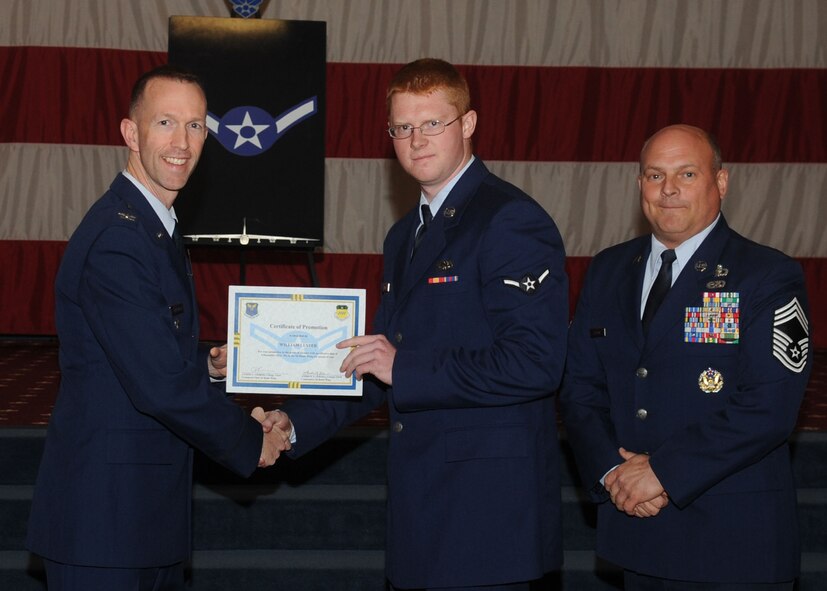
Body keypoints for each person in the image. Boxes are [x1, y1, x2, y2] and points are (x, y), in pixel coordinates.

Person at [263, 58, 568, 590]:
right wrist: (293, 422)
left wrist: (405, 367)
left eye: (433, 123)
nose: (416, 140)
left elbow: (535, 363)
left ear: (468, 124)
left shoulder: (509, 220)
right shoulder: (405, 236)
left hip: (488, 518)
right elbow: (377, 362)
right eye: (402, 127)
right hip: (422, 510)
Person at [26, 65, 291, 591]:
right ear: (131, 132)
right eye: (165, 122)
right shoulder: (118, 239)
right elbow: (158, 385)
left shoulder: (153, 228)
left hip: (140, 518)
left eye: (195, 126)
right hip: (104, 525)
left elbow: (137, 355)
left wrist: (206, 365)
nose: (182, 142)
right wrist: (248, 440)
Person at [560, 124, 812, 590]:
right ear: (640, 186)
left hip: (733, 543)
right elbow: (579, 389)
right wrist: (613, 471)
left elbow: (769, 408)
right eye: (655, 175)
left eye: (687, 174)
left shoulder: (766, 274)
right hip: (637, 532)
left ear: (720, 182)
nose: (669, 190)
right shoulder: (609, 269)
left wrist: (662, 471)